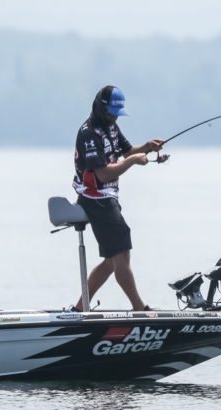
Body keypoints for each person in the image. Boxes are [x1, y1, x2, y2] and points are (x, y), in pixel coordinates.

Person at [72, 85, 163, 311]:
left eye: (117, 113)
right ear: (102, 109)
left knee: (113, 261)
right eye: (112, 113)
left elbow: (127, 151)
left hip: (107, 197)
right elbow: (102, 174)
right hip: (95, 198)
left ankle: (79, 308)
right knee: (121, 253)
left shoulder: (111, 126)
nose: (114, 117)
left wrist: (147, 148)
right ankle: (140, 309)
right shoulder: (89, 133)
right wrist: (132, 162)